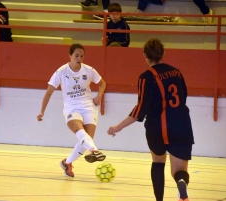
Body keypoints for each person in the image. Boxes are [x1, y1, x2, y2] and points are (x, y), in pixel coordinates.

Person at [107, 37, 194, 201]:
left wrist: (119, 126)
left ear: (145, 55)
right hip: (181, 124)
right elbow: (183, 97)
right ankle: (181, 183)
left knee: (158, 162)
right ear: (163, 53)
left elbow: (141, 109)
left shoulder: (146, 77)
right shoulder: (176, 72)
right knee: (179, 169)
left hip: (157, 127)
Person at [37, 43, 107, 177]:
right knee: (78, 130)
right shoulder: (61, 72)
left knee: (87, 138)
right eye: (76, 55)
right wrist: (42, 111)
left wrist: (99, 96)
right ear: (69, 55)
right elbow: (48, 92)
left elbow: (102, 83)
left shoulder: (89, 70)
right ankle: (95, 150)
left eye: (82, 56)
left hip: (88, 106)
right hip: (71, 107)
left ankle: (67, 162)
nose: (79, 58)